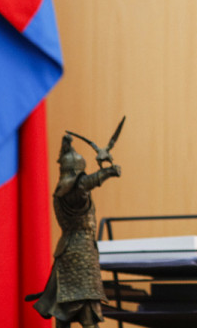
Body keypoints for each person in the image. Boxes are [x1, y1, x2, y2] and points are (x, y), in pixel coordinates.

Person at [29, 134, 121, 327]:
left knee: (63, 308)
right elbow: (84, 183)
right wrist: (108, 172)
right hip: (80, 257)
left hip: (67, 253)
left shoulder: (62, 191)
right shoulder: (73, 192)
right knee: (84, 311)